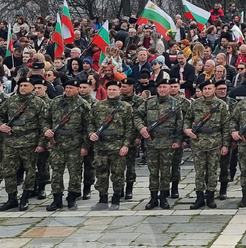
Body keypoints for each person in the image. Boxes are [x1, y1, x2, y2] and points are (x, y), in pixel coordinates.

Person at [0, 75, 48, 212]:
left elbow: (44, 125)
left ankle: (25, 197)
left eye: (26, 85)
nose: (22, 88)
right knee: (8, 171)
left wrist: (41, 144)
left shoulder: (38, 103)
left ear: (32, 87)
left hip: (29, 142)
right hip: (11, 142)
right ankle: (12, 198)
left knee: (30, 171)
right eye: (20, 85)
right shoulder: (10, 101)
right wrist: (0, 125)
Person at [136, 76, 185, 210]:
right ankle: (153, 198)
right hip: (151, 142)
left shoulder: (176, 104)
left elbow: (180, 124)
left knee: (165, 172)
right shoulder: (149, 102)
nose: (162, 89)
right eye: (160, 87)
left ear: (169, 89)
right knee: (153, 172)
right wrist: (141, 127)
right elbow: (137, 115)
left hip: (167, 143)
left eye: (165, 87)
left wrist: (177, 141)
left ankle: (163, 197)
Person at [43, 79, 91, 212]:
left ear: (77, 89)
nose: (68, 90)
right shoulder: (55, 102)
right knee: (56, 173)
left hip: (75, 145)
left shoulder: (83, 105)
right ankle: (57, 199)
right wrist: (46, 130)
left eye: (71, 88)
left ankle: (72, 198)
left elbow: (88, 127)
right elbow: (46, 119)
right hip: (57, 144)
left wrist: (85, 146)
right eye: (67, 88)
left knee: (75, 173)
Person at [87, 80, 133, 210]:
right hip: (101, 146)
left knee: (117, 175)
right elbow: (90, 123)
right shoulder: (98, 106)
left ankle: (116, 200)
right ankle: (102, 200)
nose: (111, 92)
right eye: (109, 90)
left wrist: (126, 145)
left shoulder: (125, 107)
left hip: (118, 146)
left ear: (119, 90)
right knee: (101, 174)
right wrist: (91, 133)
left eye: (114, 90)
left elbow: (130, 128)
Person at [183, 80, 230, 209]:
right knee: (199, 171)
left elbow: (226, 126)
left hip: (215, 141)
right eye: (205, 89)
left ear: (214, 89)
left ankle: (210, 196)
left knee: (212, 170)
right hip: (198, 141)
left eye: (209, 88)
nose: (207, 91)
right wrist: (187, 129)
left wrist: (225, 144)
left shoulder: (221, 105)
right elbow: (187, 118)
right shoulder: (195, 104)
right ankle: (199, 197)